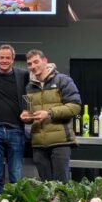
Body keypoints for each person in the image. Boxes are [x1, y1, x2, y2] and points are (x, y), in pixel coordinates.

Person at [20, 49, 81, 182]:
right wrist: (26, 117)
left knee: (61, 185)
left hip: (60, 142)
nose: (33, 66)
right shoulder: (29, 87)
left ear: (45, 61)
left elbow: (75, 106)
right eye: (30, 64)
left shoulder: (63, 80)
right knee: (45, 187)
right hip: (38, 144)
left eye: (36, 62)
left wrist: (49, 113)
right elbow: (29, 112)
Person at [0, 45, 29, 195]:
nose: (4, 60)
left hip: (16, 130)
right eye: (1, 57)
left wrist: (28, 111)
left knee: (15, 176)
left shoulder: (23, 75)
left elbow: (33, 91)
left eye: (7, 58)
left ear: (13, 60)